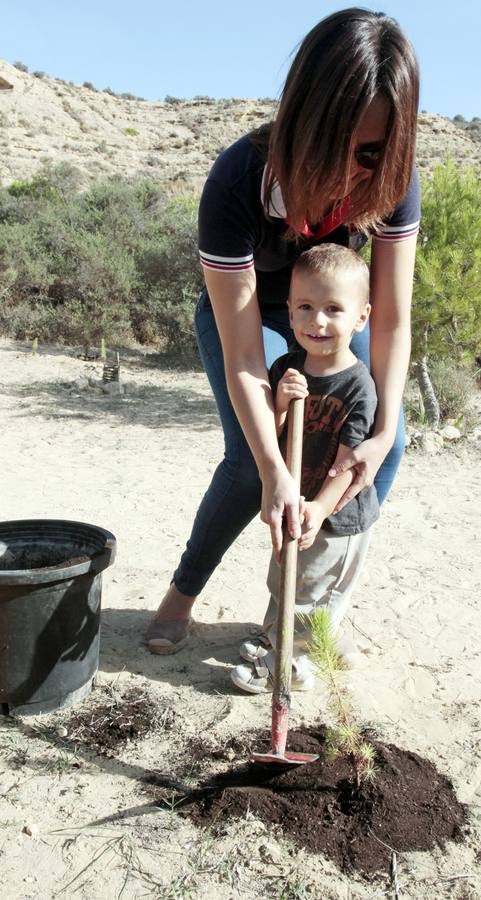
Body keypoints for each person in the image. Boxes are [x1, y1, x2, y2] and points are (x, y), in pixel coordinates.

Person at [146, 8, 420, 654]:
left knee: (390, 443)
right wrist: (275, 469)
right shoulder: (237, 180)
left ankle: (307, 614)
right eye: (338, 148)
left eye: (373, 152)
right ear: (301, 122)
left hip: (330, 316)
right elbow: (244, 352)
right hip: (248, 319)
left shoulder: (392, 181)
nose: (354, 171)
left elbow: (391, 318)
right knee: (252, 457)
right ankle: (182, 593)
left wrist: (380, 434)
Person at [231, 244, 378, 692]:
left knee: (313, 593)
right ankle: (277, 636)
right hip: (297, 501)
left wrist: (320, 509)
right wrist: (278, 404)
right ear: (290, 313)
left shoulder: (359, 386)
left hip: (337, 518)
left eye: (334, 309)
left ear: (361, 317)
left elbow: (348, 466)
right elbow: (271, 438)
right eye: (306, 308)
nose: (318, 322)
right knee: (284, 575)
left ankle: (292, 666)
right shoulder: (287, 366)